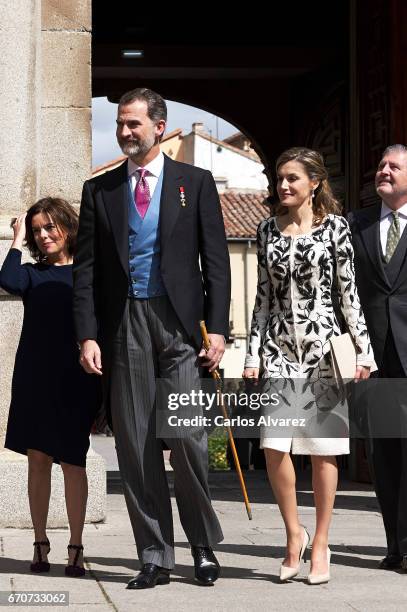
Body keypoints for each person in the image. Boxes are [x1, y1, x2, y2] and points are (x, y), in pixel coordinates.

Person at [73, 88, 231, 589]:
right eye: (120, 124)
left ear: (159, 127)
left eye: (133, 124)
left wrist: (220, 327)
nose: (124, 133)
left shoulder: (196, 182)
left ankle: (201, 545)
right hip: (124, 325)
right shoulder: (100, 191)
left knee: (186, 437)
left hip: (181, 325)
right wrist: (88, 335)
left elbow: (217, 262)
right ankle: (155, 555)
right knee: (136, 443)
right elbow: (87, 272)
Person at [243, 147, 375, 584]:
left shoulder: (335, 228)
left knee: (323, 450)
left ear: (314, 183)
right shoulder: (266, 230)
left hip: (323, 352)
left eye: (292, 178)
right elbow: (262, 298)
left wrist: (364, 351)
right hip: (280, 351)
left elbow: (348, 294)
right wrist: (251, 354)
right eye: (280, 178)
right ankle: (292, 534)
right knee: (274, 444)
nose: (283, 185)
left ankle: (321, 543)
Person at [0, 198, 100, 577]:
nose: (43, 236)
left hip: (76, 378)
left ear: (67, 227)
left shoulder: (89, 273)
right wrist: (17, 236)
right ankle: (40, 543)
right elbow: (7, 279)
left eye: (49, 228)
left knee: (73, 462)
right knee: (38, 460)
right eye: (37, 230)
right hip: (34, 378)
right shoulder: (31, 274)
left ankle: (76, 547)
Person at [348, 144, 407, 572]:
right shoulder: (356, 224)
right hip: (376, 357)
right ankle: (394, 547)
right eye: (381, 164)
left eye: (394, 166)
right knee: (385, 455)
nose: (383, 171)